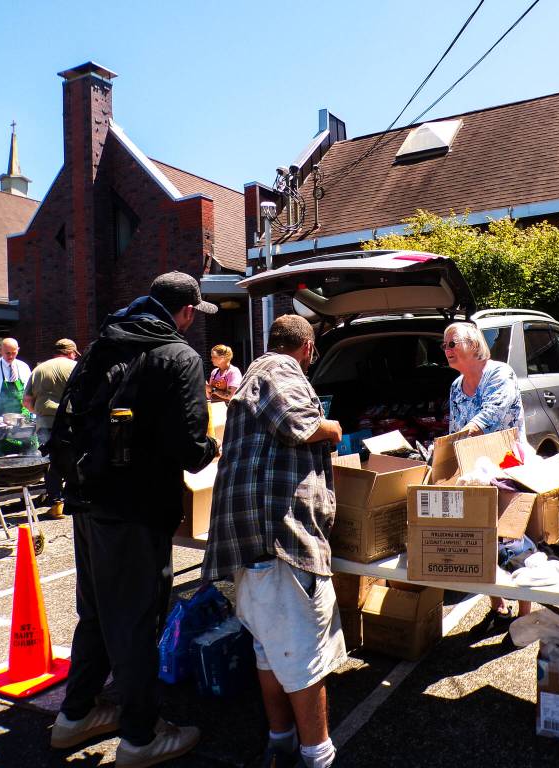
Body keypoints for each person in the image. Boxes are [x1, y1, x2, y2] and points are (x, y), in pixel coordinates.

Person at [49, 272, 219, 767]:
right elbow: (190, 450)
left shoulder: (103, 342)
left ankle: (76, 714)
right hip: (137, 508)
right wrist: (212, 446)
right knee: (137, 621)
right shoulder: (178, 355)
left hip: (87, 499)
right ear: (187, 311)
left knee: (98, 611)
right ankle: (141, 737)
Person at [203, 314, 345, 768]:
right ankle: (317, 756)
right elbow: (297, 423)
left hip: (255, 544)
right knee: (303, 656)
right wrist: (335, 428)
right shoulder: (279, 368)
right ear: (307, 348)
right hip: (281, 539)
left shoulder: (252, 374)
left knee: (269, 650)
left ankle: (280, 740)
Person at [443, 321, 531, 636]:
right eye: (444, 345)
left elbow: (492, 413)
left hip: (507, 468)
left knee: (514, 540)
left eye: (452, 343)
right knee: (478, 541)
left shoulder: (499, 373)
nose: (446, 350)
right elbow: (454, 429)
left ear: (473, 344)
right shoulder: (456, 386)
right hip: (474, 473)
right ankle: (498, 607)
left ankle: (524, 614)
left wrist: (463, 435)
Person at [23, 339, 79, 520]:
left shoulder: (39, 369)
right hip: (70, 421)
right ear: (71, 353)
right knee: (74, 458)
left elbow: (26, 401)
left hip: (45, 423)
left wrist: (40, 413)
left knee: (51, 461)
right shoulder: (76, 367)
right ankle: (75, 498)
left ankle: (56, 504)